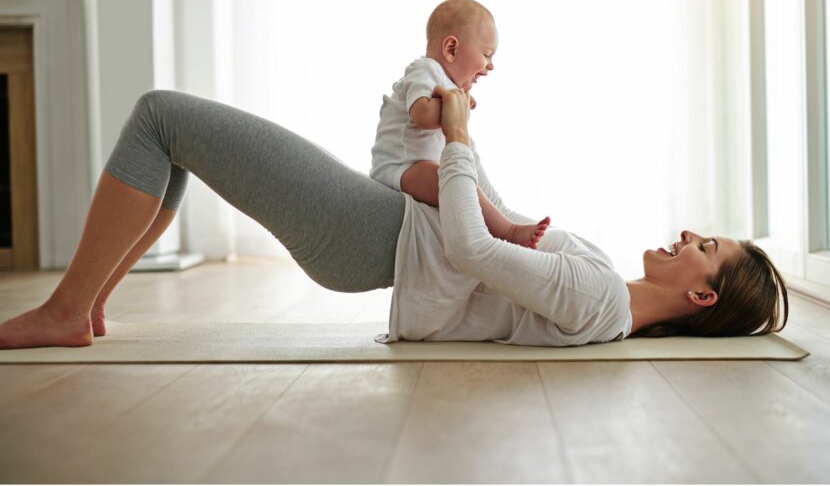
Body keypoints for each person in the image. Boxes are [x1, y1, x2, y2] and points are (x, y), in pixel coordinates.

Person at [0, 85, 787, 349]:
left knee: (160, 117)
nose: (687, 235)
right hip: (381, 229)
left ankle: (68, 308)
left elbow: (473, 248)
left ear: (702, 296)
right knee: (173, 136)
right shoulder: (603, 294)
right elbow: (488, 235)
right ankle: (89, 304)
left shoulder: (600, 301)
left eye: (704, 247)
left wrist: (458, 135)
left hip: (369, 235)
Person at [370, 0, 550, 248]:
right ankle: (507, 230)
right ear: (451, 49)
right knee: (455, 182)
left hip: (417, 166)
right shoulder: (424, 70)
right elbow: (421, 113)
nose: (490, 66)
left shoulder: (446, 83)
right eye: (486, 54)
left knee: (462, 180)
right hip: (398, 168)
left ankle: (503, 227)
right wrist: (455, 107)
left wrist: (458, 101)